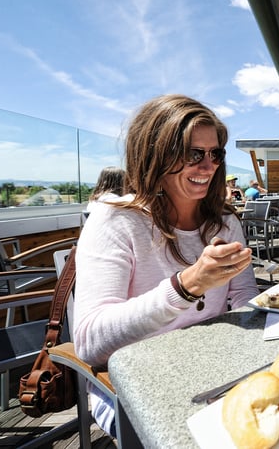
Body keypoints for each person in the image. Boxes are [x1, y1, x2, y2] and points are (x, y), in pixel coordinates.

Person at [73, 94, 259, 437]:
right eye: (193, 154)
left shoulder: (224, 223)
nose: (208, 166)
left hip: (215, 372)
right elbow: (88, 341)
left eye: (215, 154)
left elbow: (245, 297)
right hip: (134, 385)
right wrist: (185, 287)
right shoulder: (116, 220)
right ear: (155, 154)